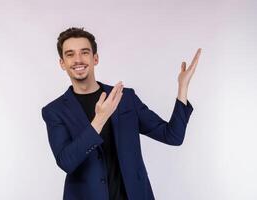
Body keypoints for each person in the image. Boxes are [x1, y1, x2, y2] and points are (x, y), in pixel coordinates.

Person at [41, 27, 201, 200]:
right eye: (70, 54)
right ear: (62, 63)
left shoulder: (126, 98)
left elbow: (173, 136)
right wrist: (99, 120)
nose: (78, 59)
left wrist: (182, 87)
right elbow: (66, 162)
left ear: (95, 58)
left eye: (84, 52)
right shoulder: (54, 111)